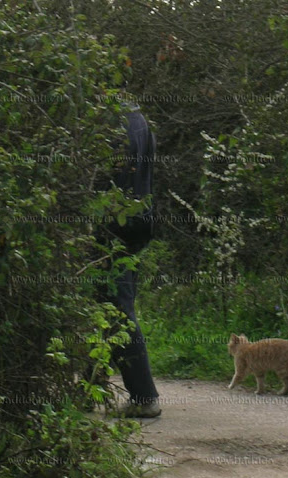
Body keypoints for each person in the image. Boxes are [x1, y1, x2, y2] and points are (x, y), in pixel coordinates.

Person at [104, 102, 161, 418]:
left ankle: (144, 396)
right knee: (108, 304)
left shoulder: (110, 122)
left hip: (114, 224)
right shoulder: (139, 118)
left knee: (117, 307)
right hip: (139, 220)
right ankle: (91, 385)